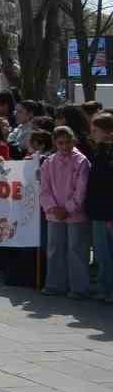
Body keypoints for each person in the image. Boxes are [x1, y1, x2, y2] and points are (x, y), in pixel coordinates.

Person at [41, 126, 91, 299]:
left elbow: (81, 189)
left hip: (75, 213)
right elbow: (44, 188)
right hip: (54, 213)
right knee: (55, 248)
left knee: (76, 249)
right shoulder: (49, 161)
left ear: (73, 140)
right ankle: (55, 284)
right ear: (55, 143)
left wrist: (68, 208)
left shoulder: (81, 161)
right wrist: (53, 208)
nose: (64, 146)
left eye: (67, 142)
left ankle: (79, 287)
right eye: (60, 143)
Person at [87, 114, 113, 302]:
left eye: (95, 131)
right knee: (102, 254)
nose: (92, 134)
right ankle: (104, 288)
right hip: (97, 211)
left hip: (108, 212)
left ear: (107, 133)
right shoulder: (98, 151)